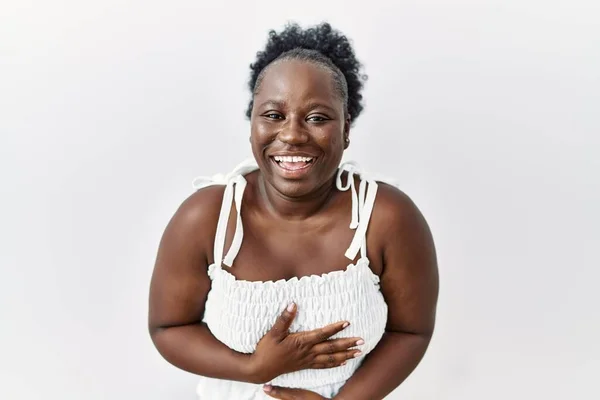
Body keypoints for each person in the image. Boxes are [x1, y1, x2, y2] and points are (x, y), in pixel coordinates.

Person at [148, 22, 439, 400]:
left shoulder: (387, 218)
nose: (292, 135)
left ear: (346, 128)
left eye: (317, 118)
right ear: (252, 124)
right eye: (273, 115)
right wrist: (254, 368)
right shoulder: (207, 217)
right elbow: (168, 327)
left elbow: (411, 331)